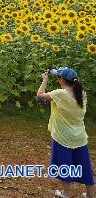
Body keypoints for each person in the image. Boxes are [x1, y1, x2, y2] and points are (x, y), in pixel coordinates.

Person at [37, 67, 94, 198]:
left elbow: (40, 95)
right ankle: (91, 195)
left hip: (62, 137)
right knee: (84, 166)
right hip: (80, 137)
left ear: (61, 79)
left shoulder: (60, 94)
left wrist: (45, 80)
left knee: (64, 165)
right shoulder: (82, 94)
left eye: (58, 77)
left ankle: (66, 194)